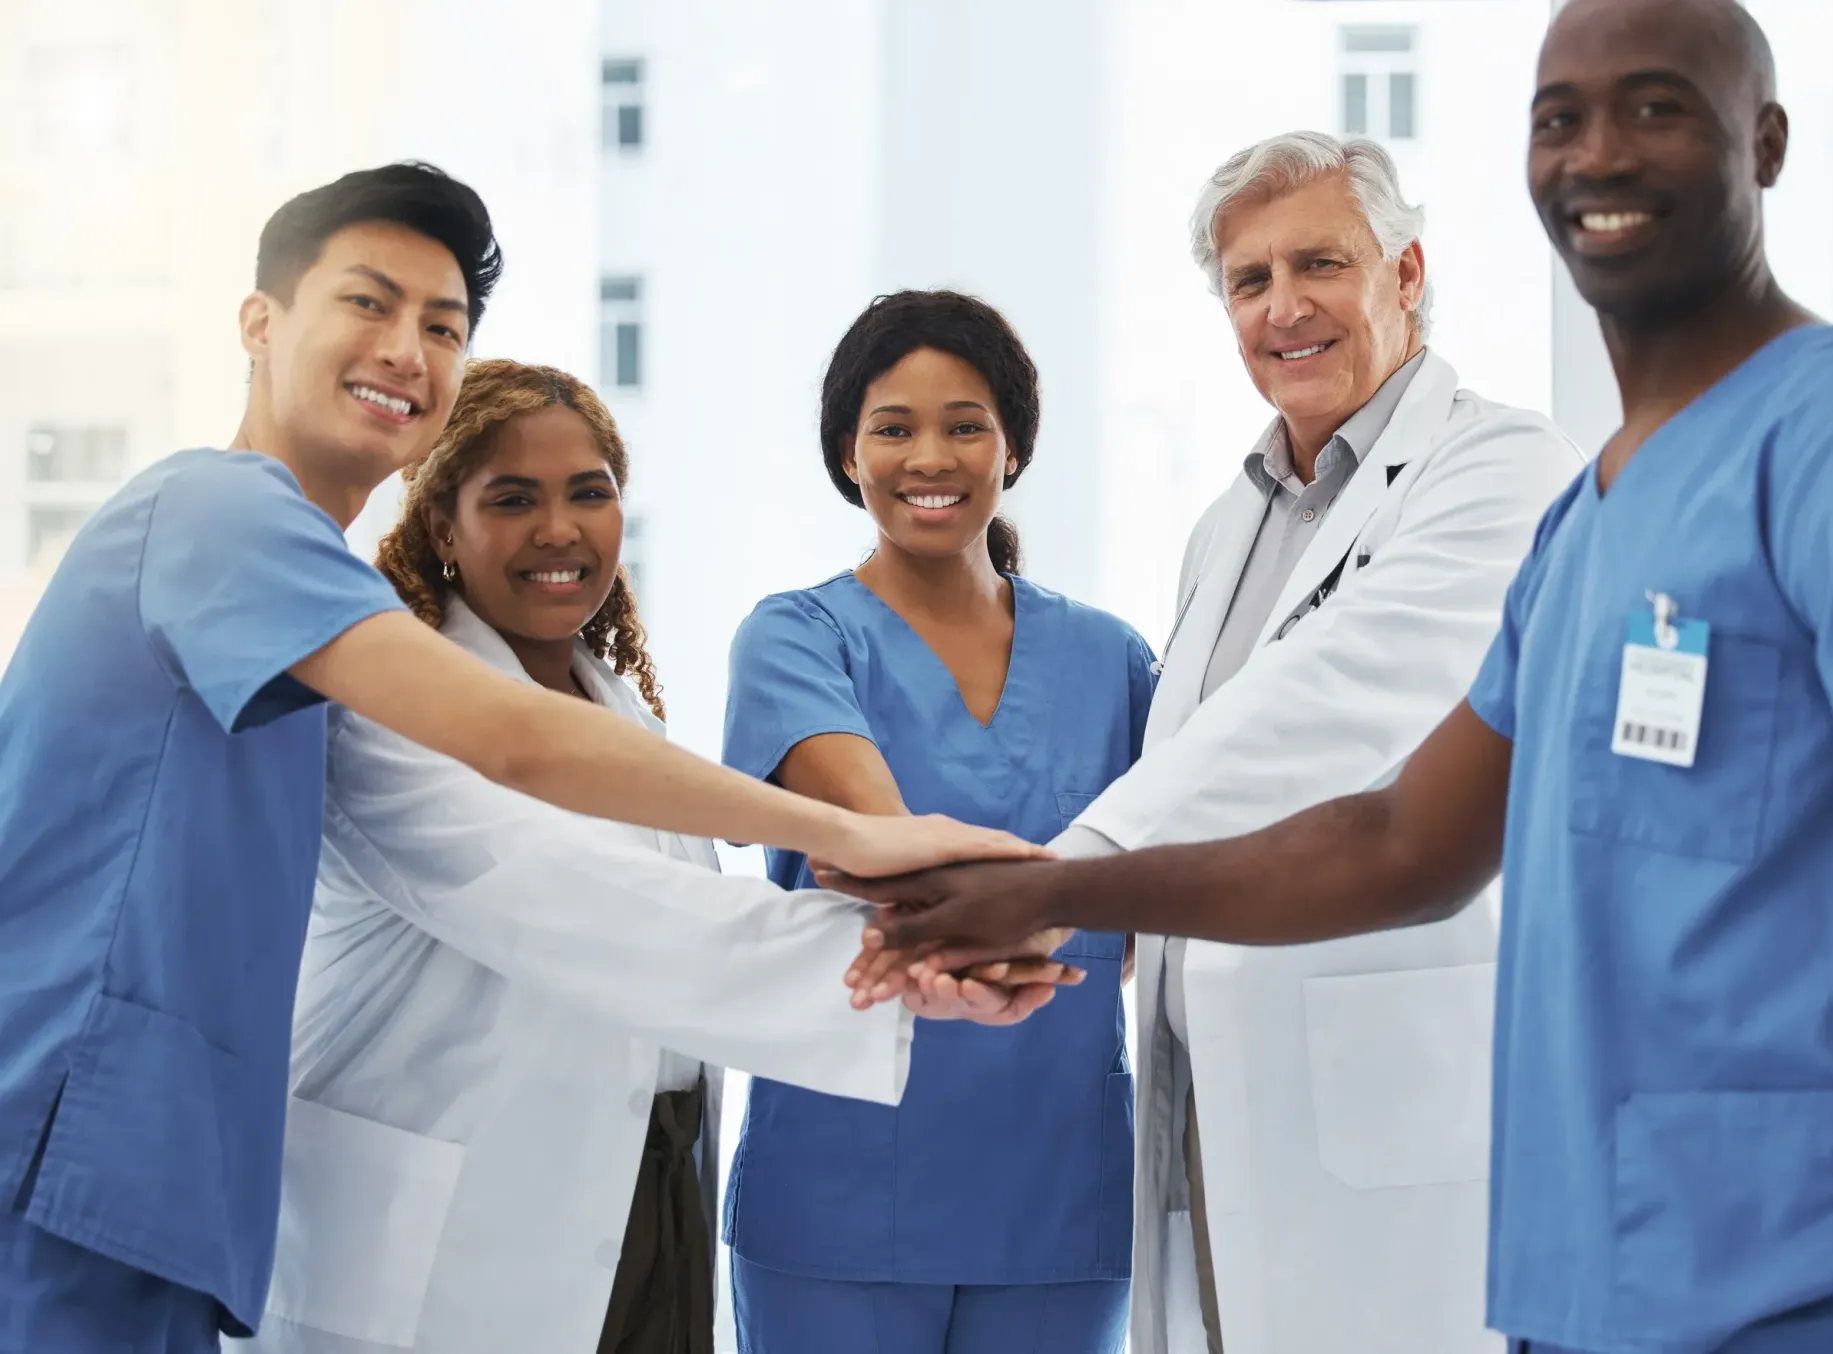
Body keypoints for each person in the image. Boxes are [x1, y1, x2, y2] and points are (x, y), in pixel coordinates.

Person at [836, 3, 1833, 1351]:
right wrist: (1059, 895)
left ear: (1410, 272)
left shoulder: (1761, 449)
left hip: (1779, 1247)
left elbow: (1322, 722)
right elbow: (1405, 835)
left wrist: (1056, 881)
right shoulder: (1577, 513)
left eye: (1658, 108)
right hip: (1560, 1242)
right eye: (1558, 119)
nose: (1598, 154)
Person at [0, 164, 1053, 1354]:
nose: (406, 349)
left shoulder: (326, 625)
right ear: (260, 322)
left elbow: (553, 845)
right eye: (367, 303)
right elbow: (513, 774)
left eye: (441, 327)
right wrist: (853, 842)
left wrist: (895, 947)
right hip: (78, 1138)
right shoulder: (215, 514)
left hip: (167, 1173)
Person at [239, 360, 1073, 1354]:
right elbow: (595, 910)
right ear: (443, 528)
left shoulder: (616, 702)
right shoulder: (391, 716)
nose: (561, 528)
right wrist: (914, 953)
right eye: (513, 498)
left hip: (645, 1195)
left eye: (590, 492)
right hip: (446, 1242)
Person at [1044, 130, 1581, 1354]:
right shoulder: (1225, 524)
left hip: (1387, 1099)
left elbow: (1333, 699)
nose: (1284, 308)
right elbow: (1201, 755)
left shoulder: (1500, 467)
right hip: (1208, 1100)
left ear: (1406, 273)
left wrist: (1070, 871)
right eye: (1249, 281)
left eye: (1320, 264)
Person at [719, 291, 1157, 1354]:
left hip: (1057, 1186)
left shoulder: (1112, 660)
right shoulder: (796, 637)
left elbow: (1158, 891)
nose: (932, 455)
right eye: (894, 426)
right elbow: (881, 829)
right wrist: (1042, 916)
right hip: (840, 1182)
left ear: (1014, 449)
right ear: (847, 452)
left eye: (966, 423)